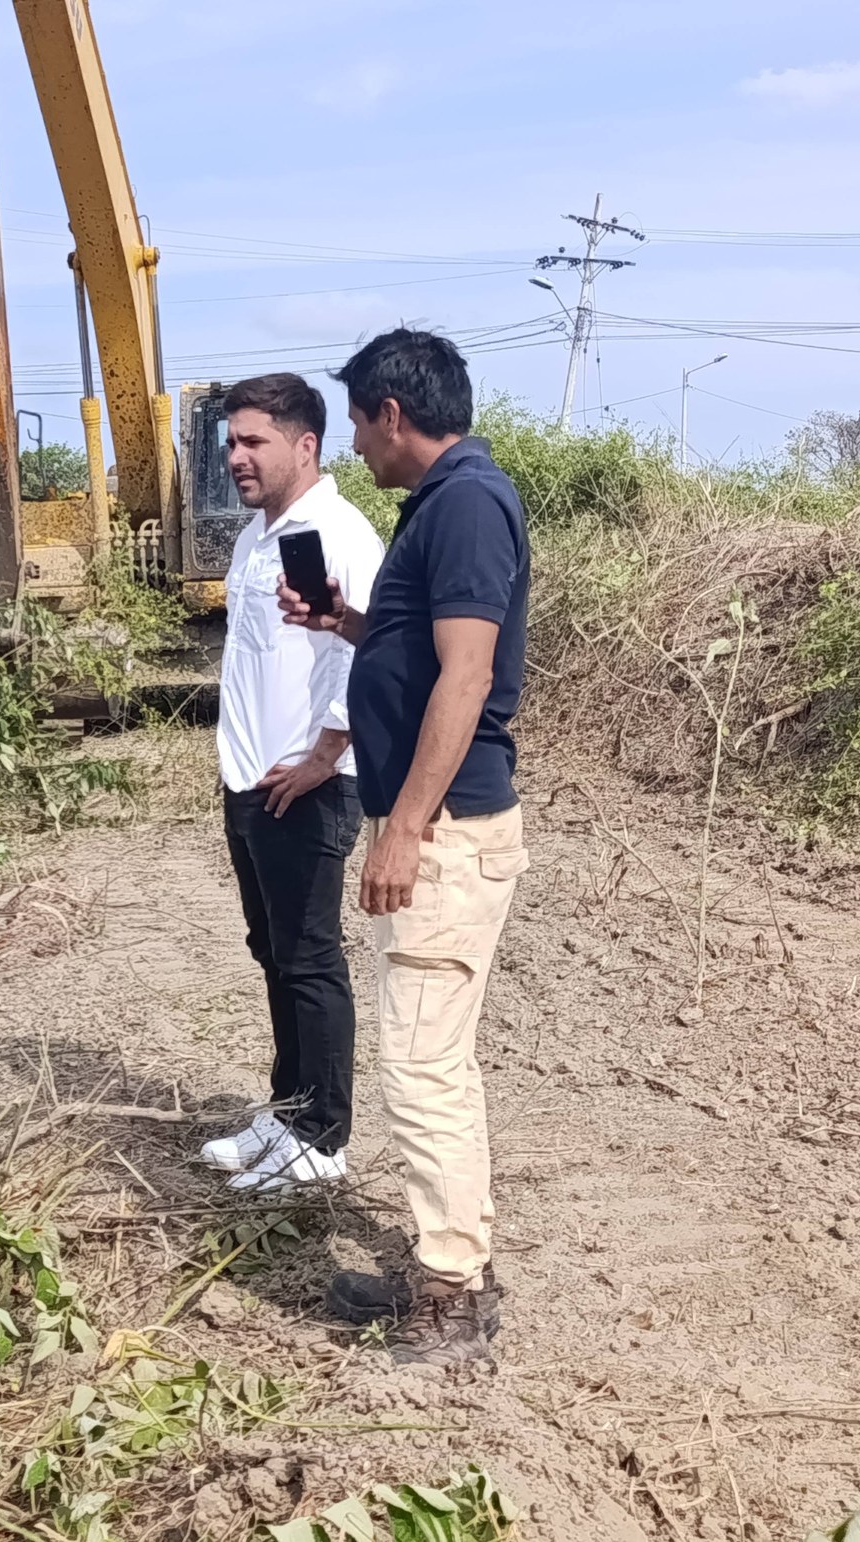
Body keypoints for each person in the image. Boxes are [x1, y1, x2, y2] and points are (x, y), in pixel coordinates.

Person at [278, 329, 530, 1367]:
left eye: (355, 422)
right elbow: (421, 654)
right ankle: (451, 1258)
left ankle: (450, 1297)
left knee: (422, 1068)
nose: (354, 444)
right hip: (445, 824)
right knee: (437, 1061)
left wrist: (405, 828)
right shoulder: (443, 504)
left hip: (447, 831)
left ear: (392, 413)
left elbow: (465, 677)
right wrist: (347, 623)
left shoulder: (465, 504)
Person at [200, 372, 384, 1193]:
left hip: (307, 783)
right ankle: (287, 1113)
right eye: (230, 442)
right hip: (250, 779)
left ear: (305, 446)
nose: (235, 457)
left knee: (310, 958)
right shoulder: (254, 538)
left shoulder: (340, 534)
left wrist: (323, 756)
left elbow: (368, 655)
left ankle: (323, 1138)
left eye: (253, 442)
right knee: (273, 952)